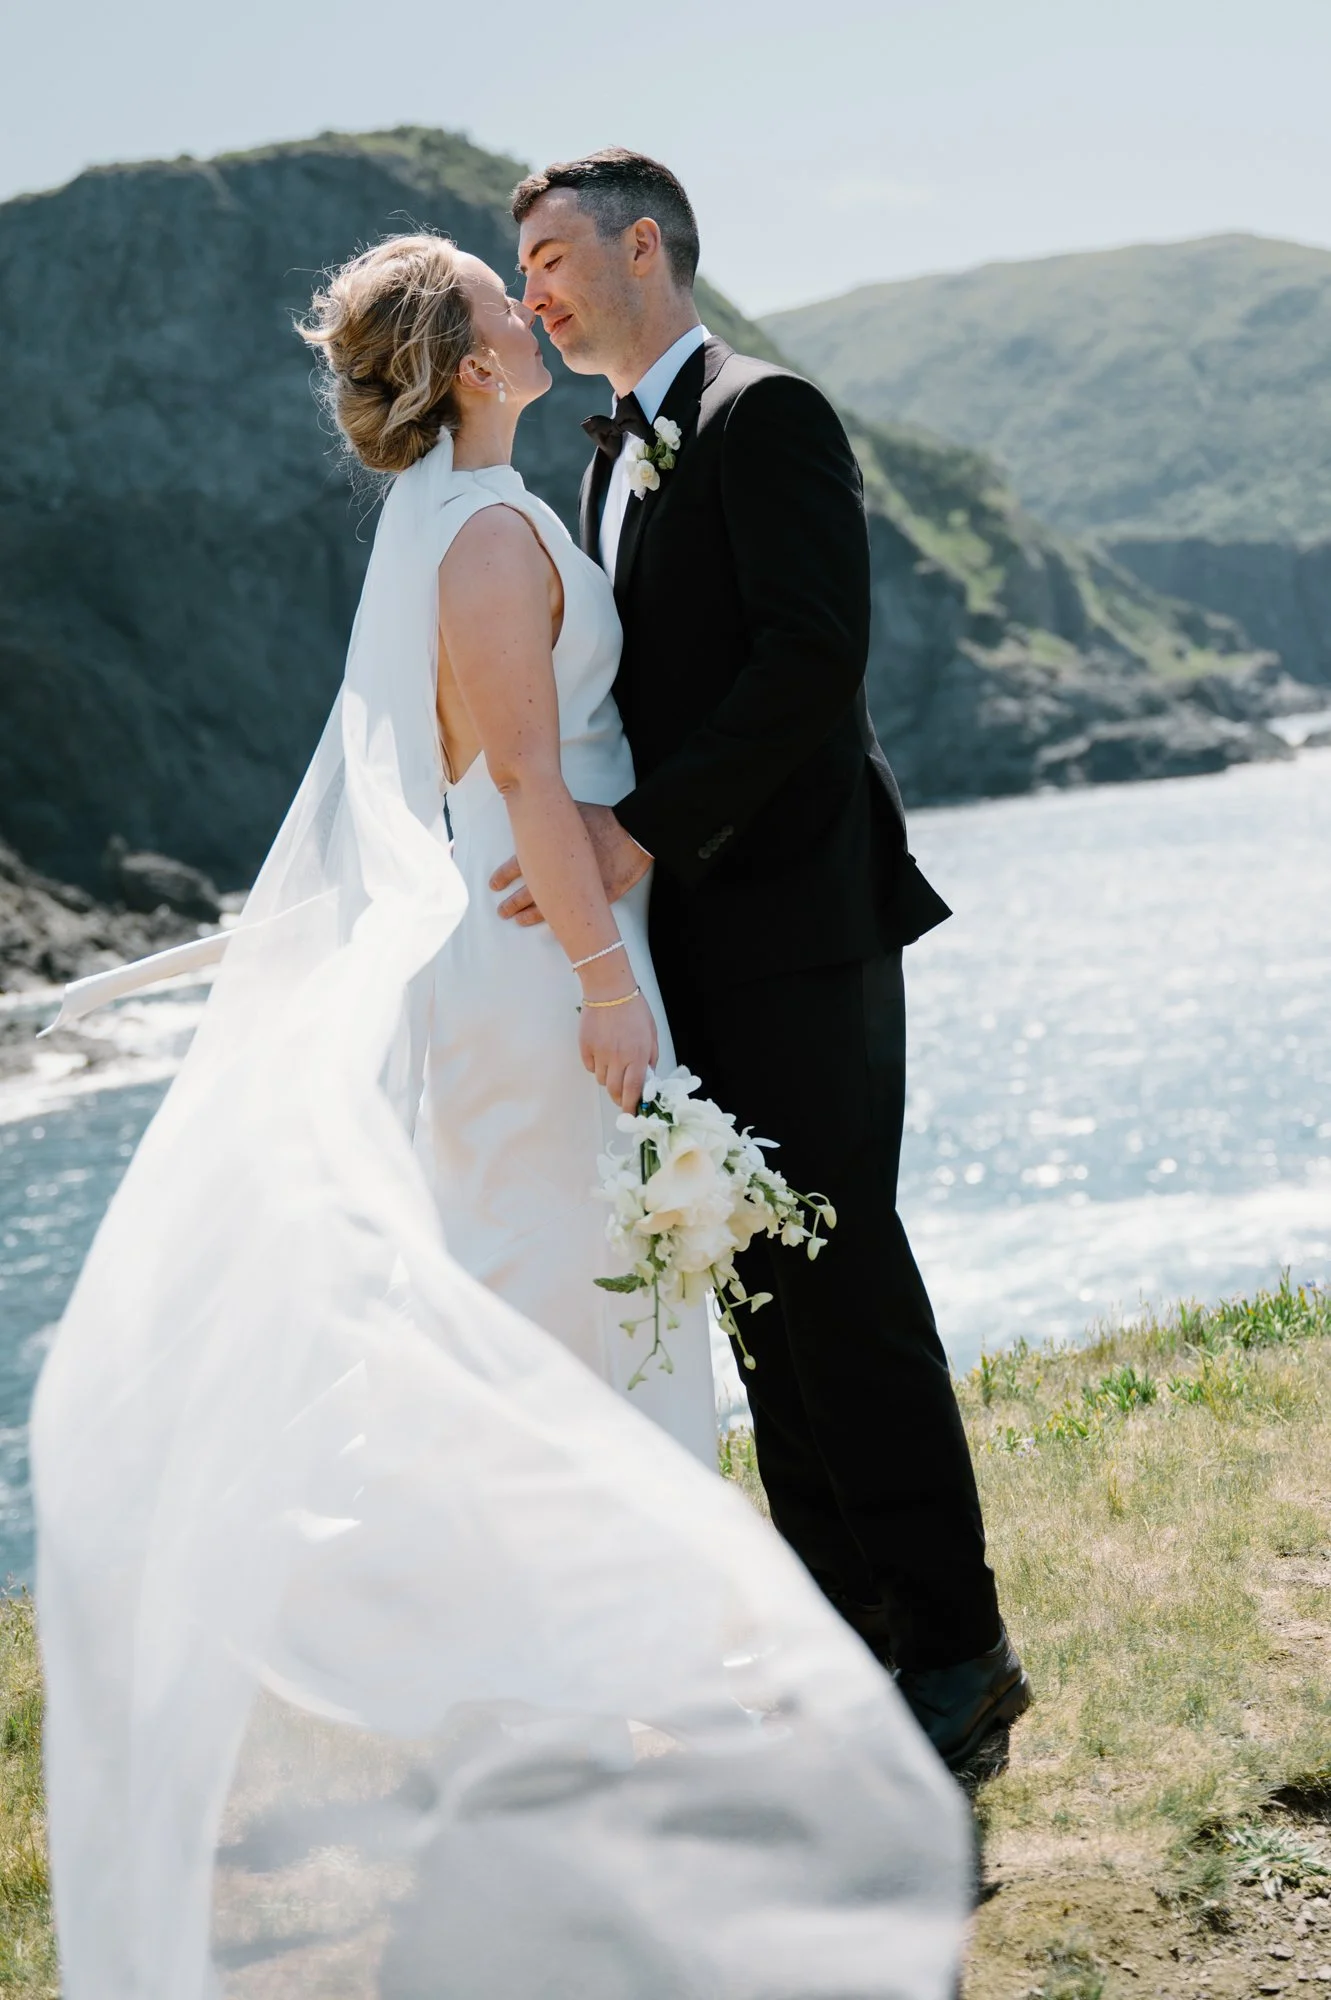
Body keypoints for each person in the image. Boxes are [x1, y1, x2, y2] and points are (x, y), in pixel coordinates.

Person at [31, 230, 971, 1996]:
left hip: (553, 940)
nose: (526, 307)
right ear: (467, 360)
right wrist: (613, 988)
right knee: (561, 1295)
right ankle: (579, 1691)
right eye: (497, 290)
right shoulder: (474, 535)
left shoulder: (469, 517)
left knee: (567, 1285)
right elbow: (530, 775)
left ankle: (596, 1680)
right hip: (543, 964)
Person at [499, 148, 1030, 1771]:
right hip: (681, 954)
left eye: (550, 255)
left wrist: (638, 834)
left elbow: (814, 655)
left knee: (845, 1281)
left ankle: (959, 1649)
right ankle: (844, 1648)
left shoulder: (763, 412)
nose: (533, 287)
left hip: (800, 922)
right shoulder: (601, 460)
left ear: (640, 244)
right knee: (757, 1292)